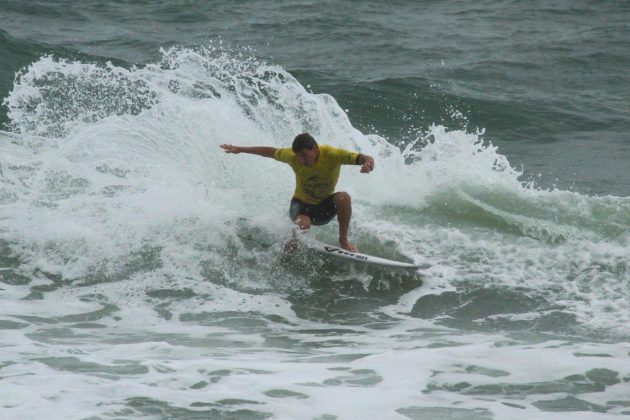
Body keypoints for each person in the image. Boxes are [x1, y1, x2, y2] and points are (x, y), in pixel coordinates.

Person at [220, 133, 374, 252]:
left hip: (323, 208)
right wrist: (240, 149)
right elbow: (269, 152)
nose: (301, 160)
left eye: (304, 156)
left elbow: (364, 158)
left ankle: (343, 240)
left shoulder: (332, 154)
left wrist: (368, 164)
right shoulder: (292, 156)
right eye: (298, 156)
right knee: (304, 224)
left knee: (343, 197)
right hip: (300, 206)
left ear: (314, 149)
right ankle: (285, 256)